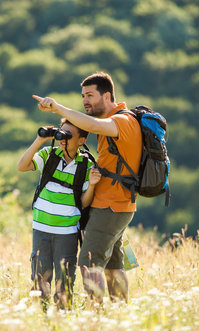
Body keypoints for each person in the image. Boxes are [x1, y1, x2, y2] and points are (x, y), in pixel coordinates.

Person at [32, 72, 142, 303]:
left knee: (89, 262)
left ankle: (97, 316)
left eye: (90, 95)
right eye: (83, 96)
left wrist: (57, 108)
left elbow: (90, 125)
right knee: (114, 262)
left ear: (108, 95)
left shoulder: (122, 121)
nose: (85, 101)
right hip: (117, 205)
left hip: (110, 206)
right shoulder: (118, 120)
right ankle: (120, 311)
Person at [17, 118, 101, 308]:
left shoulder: (86, 165)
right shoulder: (49, 154)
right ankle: (41, 315)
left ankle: (63, 315)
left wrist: (93, 186)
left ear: (82, 139)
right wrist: (40, 140)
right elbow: (22, 166)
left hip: (67, 231)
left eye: (69, 136)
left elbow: (84, 203)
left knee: (65, 278)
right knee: (40, 277)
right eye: (61, 134)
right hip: (41, 227)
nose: (63, 139)